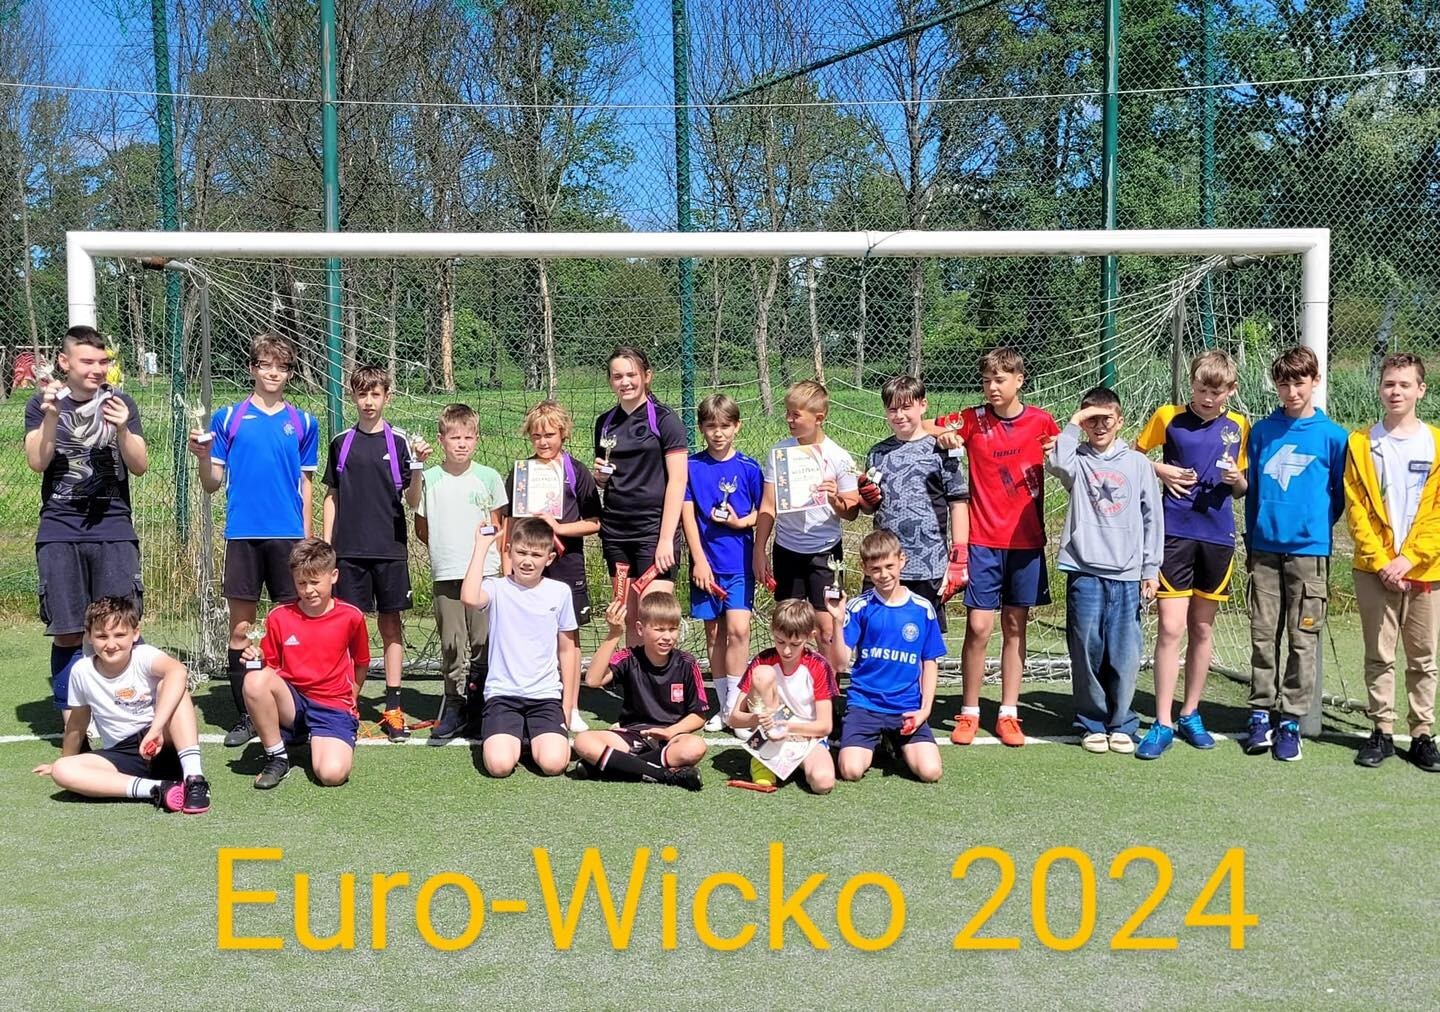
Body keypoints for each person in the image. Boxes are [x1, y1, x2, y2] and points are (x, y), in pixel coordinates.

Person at [189, 332, 319, 748]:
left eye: (281, 366)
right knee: (241, 628)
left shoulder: (303, 422)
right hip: (243, 535)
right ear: (252, 369)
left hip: (288, 538)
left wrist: (307, 539)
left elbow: (306, 484)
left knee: (290, 627)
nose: (273, 373)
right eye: (265, 365)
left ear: (289, 373)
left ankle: (291, 711)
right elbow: (212, 483)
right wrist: (203, 458)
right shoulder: (228, 417)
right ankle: (246, 716)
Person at [925, 347, 1059, 748]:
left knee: (1015, 625)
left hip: (1025, 541)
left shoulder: (1041, 422)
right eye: (986, 381)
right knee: (979, 627)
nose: (992, 387)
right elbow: (925, 424)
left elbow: (1067, 452)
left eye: (999, 379)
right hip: (982, 541)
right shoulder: (972, 419)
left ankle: (1008, 712)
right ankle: (969, 711)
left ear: (1019, 380)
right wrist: (944, 434)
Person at [24, 325, 147, 718]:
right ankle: (74, 722)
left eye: (103, 362)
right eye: (88, 361)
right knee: (68, 631)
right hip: (59, 530)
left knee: (120, 628)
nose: (97, 369)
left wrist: (123, 427)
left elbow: (140, 465)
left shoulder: (120, 402)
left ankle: (130, 713)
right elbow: (37, 461)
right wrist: (50, 417)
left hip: (114, 528)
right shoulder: (42, 403)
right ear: (65, 362)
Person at [1132, 350, 1249, 759]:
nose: (1208, 398)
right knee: (1170, 627)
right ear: (1192, 385)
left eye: (1216, 392)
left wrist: (1237, 480)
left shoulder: (1239, 425)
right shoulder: (1168, 417)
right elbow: (1132, 458)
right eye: (1201, 390)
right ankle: (1162, 721)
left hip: (1217, 536)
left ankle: (1190, 713)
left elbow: (1242, 488)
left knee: (1201, 628)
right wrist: (1160, 469)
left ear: (1231, 390)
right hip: (1174, 533)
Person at [1242, 345, 1348, 761]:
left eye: (1299, 382)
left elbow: (1337, 495)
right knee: (1262, 635)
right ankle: (1260, 714)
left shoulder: (1333, 436)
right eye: (1284, 383)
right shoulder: (1262, 432)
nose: (1292, 391)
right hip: (1264, 550)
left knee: (1302, 639)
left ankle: (1290, 721)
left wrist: (1312, 528)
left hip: (1308, 552)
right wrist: (1253, 538)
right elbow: (1252, 492)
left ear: (1315, 381)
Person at [1046, 387, 1164, 754]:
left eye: (1106, 419)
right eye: (1091, 420)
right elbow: (1056, 463)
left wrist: (1150, 568)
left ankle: (1121, 721)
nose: (1099, 426)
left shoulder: (1139, 464)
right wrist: (1073, 422)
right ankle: (1091, 721)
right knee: (1086, 648)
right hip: (1084, 568)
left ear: (1120, 421)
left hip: (1127, 572)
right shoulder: (1077, 460)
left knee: (1124, 652)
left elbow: (1152, 517)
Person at [322, 365, 430, 741]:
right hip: (348, 552)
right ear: (353, 396)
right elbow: (332, 496)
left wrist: (418, 468)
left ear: (387, 397)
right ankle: (346, 704)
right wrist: (327, 547)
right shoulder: (341, 442)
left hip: (389, 550)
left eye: (375, 394)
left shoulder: (399, 442)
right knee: (347, 629)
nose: (368, 401)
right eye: (362, 394)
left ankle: (393, 707)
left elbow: (412, 499)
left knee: (391, 626)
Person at [1344, 353, 1440, 771]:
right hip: (1375, 570)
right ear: (1379, 388)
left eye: (1404, 384)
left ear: (1421, 389)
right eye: (1389, 384)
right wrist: (1383, 561)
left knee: (1423, 658)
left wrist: (1409, 558)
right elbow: (1356, 508)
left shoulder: (1436, 443)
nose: (1395, 391)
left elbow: (1437, 514)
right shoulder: (1361, 442)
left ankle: (1422, 735)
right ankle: (1381, 730)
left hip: (1424, 570)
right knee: (1379, 654)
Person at [32, 596, 210, 814]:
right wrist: (65, 761)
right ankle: (159, 789)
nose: (111, 644)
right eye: (102, 636)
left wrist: (155, 730)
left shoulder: (144, 655)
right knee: (62, 770)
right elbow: (77, 724)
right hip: (122, 754)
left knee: (174, 687)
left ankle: (194, 779)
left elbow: (178, 671)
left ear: (135, 634)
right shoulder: (81, 671)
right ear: (88, 636)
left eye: (119, 635)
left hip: (162, 741)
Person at [504, 399, 602, 732]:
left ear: (563, 433)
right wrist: (507, 563)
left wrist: (558, 528)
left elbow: (594, 522)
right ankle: (527, 702)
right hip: (528, 566)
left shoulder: (576, 471)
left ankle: (570, 707)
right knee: (526, 633)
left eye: (549, 435)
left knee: (568, 637)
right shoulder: (522, 472)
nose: (543, 442)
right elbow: (509, 523)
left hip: (566, 564)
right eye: (536, 436)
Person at [242, 538, 370, 790]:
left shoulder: (351, 616)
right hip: (292, 703)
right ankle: (278, 757)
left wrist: (351, 699)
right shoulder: (279, 616)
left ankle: (322, 735)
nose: (308, 590)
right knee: (254, 680)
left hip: (331, 704)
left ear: (333, 576)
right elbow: (270, 668)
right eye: (301, 583)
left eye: (315, 582)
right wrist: (254, 659)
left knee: (331, 775)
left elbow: (361, 662)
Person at [460, 517, 580, 778]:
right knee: (499, 766)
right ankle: (516, 737)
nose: (527, 561)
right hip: (503, 695)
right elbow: (469, 597)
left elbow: (567, 651)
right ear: (510, 552)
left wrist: (569, 706)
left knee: (554, 764)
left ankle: (531, 736)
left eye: (536, 555)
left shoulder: (559, 592)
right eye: (521, 552)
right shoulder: (497, 588)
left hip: (545, 697)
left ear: (549, 558)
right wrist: (481, 547)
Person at [417, 403, 508, 740]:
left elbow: (499, 527)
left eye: (468, 437)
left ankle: (482, 704)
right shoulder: (429, 479)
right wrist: (447, 550)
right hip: (446, 573)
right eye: (455, 437)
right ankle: (455, 704)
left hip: (485, 574)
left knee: (484, 640)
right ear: (441, 439)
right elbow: (421, 528)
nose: (461, 444)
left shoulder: (489, 477)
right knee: (452, 642)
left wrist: (501, 567)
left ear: (477, 439)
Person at [824, 529, 944, 783]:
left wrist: (924, 710)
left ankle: (893, 740)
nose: (884, 574)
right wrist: (837, 620)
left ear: (902, 560)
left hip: (906, 707)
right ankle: (873, 739)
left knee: (931, 772)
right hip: (865, 705)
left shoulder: (922, 609)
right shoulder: (860, 607)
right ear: (865, 569)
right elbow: (840, 664)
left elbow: (929, 662)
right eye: (876, 569)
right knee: (851, 771)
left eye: (889, 566)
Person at [592, 346, 690, 647]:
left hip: (653, 531)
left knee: (656, 618)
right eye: (617, 376)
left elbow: (678, 481)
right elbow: (606, 473)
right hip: (616, 532)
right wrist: (600, 477)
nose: (625, 382)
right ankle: (635, 678)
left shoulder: (665, 420)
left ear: (647, 376)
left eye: (631, 374)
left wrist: (665, 539)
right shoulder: (604, 422)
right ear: (610, 380)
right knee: (629, 616)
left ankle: (663, 677)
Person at [858, 374, 970, 630]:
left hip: (928, 564)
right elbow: (869, 508)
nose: (899, 415)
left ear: (923, 405)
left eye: (906, 407)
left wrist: (959, 557)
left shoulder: (942, 450)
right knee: (877, 633)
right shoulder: (877, 453)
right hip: (883, 565)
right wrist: (867, 499)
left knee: (922, 638)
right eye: (892, 409)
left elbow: (958, 504)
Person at [755, 379, 860, 650]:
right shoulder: (779, 452)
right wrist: (759, 549)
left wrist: (835, 499)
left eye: (796, 415)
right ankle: (793, 677)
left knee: (826, 630)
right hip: (787, 550)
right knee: (789, 625)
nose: (788, 419)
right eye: (787, 413)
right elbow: (768, 505)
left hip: (825, 552)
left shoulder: (839, 457)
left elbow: (851, 512)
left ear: (819, 418)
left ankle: (828, 677)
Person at [681, 393, 763, 730]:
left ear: (737, 427)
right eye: (711, 426)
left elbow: (763, 511)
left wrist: (741, 522)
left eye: (725, 426)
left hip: (739, 564)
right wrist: (699, 561)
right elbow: (687, 517)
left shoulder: (749, 467)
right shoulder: (691, 467)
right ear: (701, 428)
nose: (718, 433)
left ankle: (734, 707)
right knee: (714, 635)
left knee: (739, 630)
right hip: (706, 566)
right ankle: (722, 704)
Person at [572, 593, 706, 790]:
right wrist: (614, 634)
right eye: (659, 629)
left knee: (695, 747)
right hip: (631, 735)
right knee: (583, 741)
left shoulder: (687, 663)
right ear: (640, 629)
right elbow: (593, 680)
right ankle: (665, 775)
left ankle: (613, 766)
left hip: (670, 738)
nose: (667, 637)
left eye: (672, 629)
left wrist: (669, 732)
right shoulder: (628, 658)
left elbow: (698, 716)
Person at [727, 599, 838, 794]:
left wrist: (788, 728)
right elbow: (734, 718)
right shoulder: (763, 660)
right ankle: (763, 755)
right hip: (771, 734)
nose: (786, 650)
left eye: (795, 644)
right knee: (762, 674)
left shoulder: (819, 666)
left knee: (823, 783)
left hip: (807, 736)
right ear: (773, 631)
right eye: (780, 641)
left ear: (810, 636)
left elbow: (825, 725)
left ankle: (794, 764)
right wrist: (760, 719)